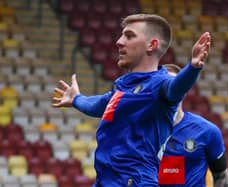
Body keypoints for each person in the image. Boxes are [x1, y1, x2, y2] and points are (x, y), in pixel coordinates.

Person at [52, 13, 211, 187]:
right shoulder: (123, 87)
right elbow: (98, 105)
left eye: (129, 36)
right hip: (106, 181)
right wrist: (76, 99)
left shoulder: (160, 85)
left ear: (152, 45)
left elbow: (176, 88)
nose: (119, 41)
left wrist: (193, 68)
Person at [158, 64, 228, 187]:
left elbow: (221, 176)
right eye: (164, 86)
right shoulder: (137, 131)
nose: (170, 91)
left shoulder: (207, 131)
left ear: (183, 90)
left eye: (175, 85)